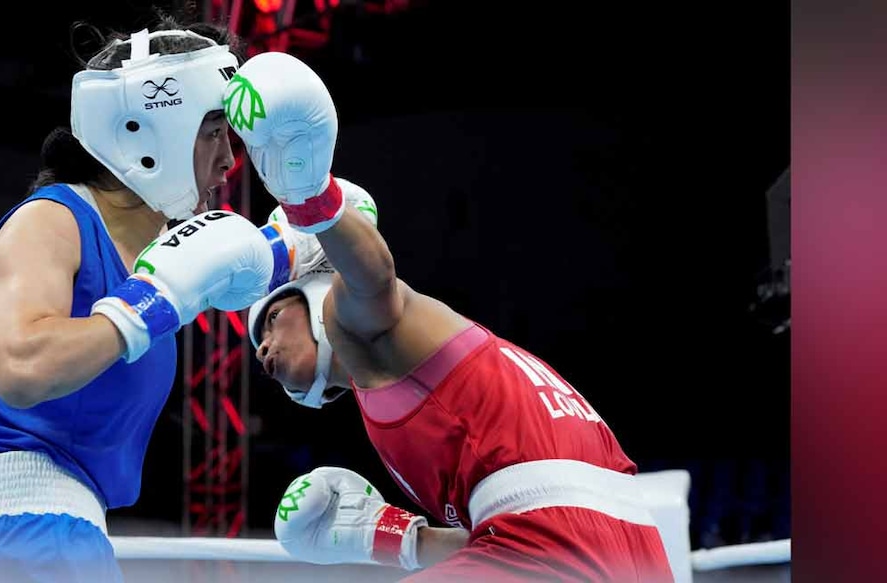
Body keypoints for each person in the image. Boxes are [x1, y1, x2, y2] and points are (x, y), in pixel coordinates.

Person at [226, 52, 676, 581]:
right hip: (627, 549)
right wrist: (394, 537)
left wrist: (308, 197)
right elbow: (495, 540)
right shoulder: (393, 373)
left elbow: (373, 276)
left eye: (270, 319)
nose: (261, 349)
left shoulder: (357, 320)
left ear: (310, 292)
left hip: (553, 535)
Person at [0, 16, 279, 583]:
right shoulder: (51, 220)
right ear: (155, 129)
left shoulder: (159, 259)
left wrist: (317, 213)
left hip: (69, 541)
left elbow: (266, 260)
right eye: (213, 130)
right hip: (25, 538)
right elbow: (21, 366)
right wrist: (149, 302)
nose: (229, 159)